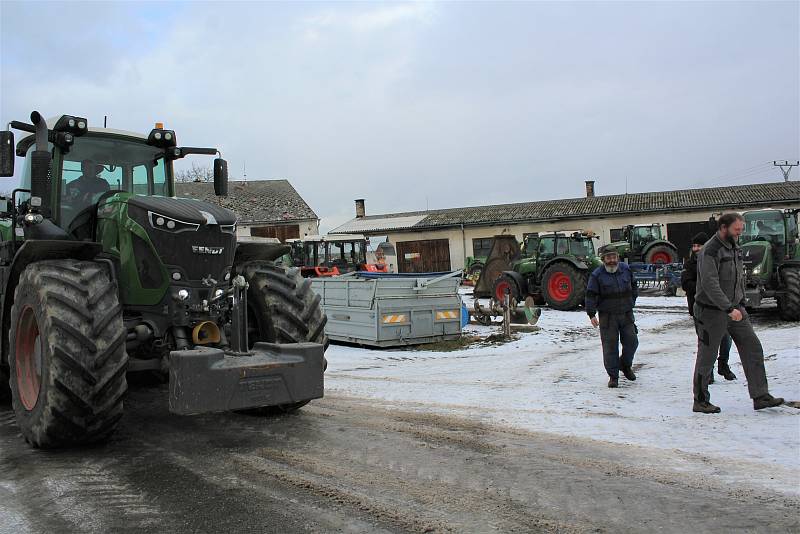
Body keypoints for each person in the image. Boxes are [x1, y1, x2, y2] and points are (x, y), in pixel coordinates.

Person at [692, 212, 784, 413]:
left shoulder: (735, 247)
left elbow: (738, 278)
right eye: (736, 230)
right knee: (707, 356)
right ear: (723, 228)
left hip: (735, 309)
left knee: (752, 347)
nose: (739, 234)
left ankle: (760, 396)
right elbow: (710, 284)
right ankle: (700, 400)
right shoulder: (710, 250)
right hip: (711, 312)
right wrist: (728, 308)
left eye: (741, 230)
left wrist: (740, 302)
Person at [681, 232, 735, 382]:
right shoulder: (690, 264)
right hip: (700, 309)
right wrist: (705, 287)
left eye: (699, 245)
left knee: (725, 339)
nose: (696, 248)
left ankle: (723, 364)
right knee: (706, 342)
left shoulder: (716, 260)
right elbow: (686, 284)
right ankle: (707, 372)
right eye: (694, 246)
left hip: (720, 307)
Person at [586, 245, 639, 388]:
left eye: (614, 257)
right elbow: (590, 295)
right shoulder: (597, 275)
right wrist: (591, 314)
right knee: (610, 347)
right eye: (609, 258)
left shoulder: (625, 270)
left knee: (632, 342)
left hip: (626, 314)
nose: (612, 260)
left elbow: (634, 285)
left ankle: (625, 365)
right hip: (608, 317)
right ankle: (613, 376)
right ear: (603, 259)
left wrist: (631, 301)